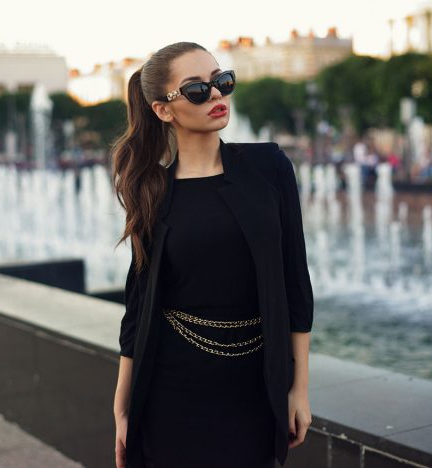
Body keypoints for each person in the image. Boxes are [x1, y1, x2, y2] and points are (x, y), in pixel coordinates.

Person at [110, 42, 314, 468]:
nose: (217, 95)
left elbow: (296, 281)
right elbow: (139, 303)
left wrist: (299, 388)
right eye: (197, 90)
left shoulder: (269, 167)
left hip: (256, 386)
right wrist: (122, 407)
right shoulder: (153, 191)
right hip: (171, 388)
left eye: (221, 81)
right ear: (163, 109)